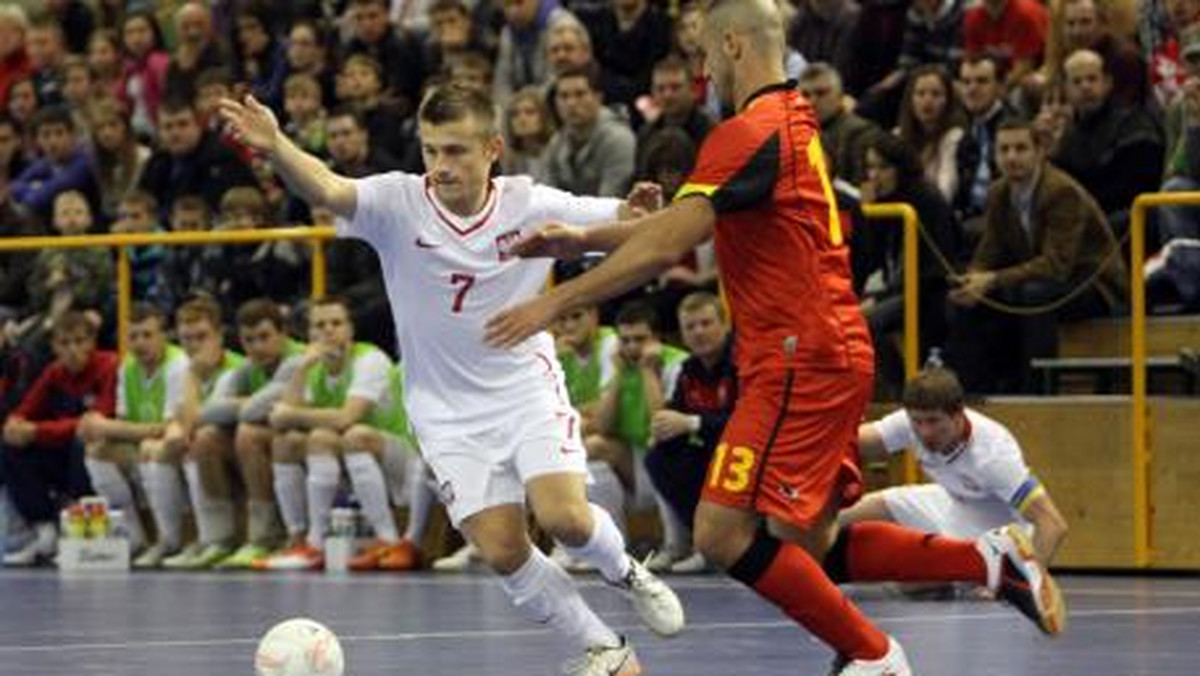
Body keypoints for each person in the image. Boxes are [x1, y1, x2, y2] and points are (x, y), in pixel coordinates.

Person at [483, 2, 1065, 674]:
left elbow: (670, 242)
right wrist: (583, 238)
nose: (702, 69)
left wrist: (555, 299)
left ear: (732, 43)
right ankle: (989, 561)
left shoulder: (748, 130)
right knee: (806, 542)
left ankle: (873, 656)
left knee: (722, 532)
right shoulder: (790, 121)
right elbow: (697, 218)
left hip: (797, 360)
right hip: (823, 352)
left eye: (704, 54)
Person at [218, 83, 683, 675]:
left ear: (492, 149)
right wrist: (277, 144)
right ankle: (606, 650)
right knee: (504, 550)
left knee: (565, 517)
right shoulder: (396, 202)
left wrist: (640, 212)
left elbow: (626, 221)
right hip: (443, 411)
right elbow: (329, 187)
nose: (441, 166)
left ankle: (626, 572)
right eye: (432, 150)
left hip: (523, 388)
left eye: (457, 151)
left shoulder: (530, 202)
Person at [843, 367, 1069, 567]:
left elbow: (1053, 524)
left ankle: (958, 573)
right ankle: (811, 549)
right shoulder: (910, 422)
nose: (924, 432)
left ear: (958, 414)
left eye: (933, 421)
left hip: (996, 536)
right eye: (917, 422)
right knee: (865, 507)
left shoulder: (993, 456)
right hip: (954, 502)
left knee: (912, 581)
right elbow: (850, 442)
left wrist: (1027, 584)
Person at [79, 303, 190, 568]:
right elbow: (125, 420)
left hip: (177, 446)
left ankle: (169, 540)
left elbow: (169, 427)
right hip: (142, 445)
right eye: (133, 336)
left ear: (164, 336)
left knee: (151, 448)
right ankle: (131, 537)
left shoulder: (178, 365)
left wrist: (109, 427)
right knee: (96, 450)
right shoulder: (127, 367)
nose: (139, 343)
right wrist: (97, 427)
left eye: (147, 335)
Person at [1, 312, 116, 566]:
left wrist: (37, 431)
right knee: (8, 447)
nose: (72, 350)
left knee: (83, 439)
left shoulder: (109, 366)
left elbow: (98, 419)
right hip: (60, 452)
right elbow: (26, 409)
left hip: (96, 451)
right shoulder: (54, 373)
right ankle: (44, 530)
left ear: (92, 342)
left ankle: (76, 528)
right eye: (64, 343)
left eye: (79, 341)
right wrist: (15, 424)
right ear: (54, 347)